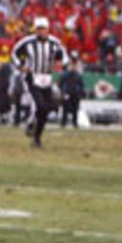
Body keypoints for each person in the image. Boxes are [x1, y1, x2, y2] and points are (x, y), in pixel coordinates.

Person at [11, 17, 68, 148]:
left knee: (45, 109)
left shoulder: (55, 43)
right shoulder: (27, 42)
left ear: (48, 29)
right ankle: (31, 122)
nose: (41, 32)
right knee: (39, 105)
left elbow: (64, 56)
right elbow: (14, 53)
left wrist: (60, 64)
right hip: (32, 76)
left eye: (44, 29)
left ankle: (37, 137)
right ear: (35, 30)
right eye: (39, 29)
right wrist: (20, 66)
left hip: (47, 77)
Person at [59, 59, 84, 128]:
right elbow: (61, 84)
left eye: (74, 65)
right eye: (72, 65)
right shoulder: (64, 74)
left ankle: (75, 123)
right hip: (67, 93)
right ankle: (63, 123)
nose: (73, 67)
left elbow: (81, 85)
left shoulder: (78, 75)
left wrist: (80, 93)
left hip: (75, 94)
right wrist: (63, 92)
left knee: (75, 109)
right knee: (65, 109)